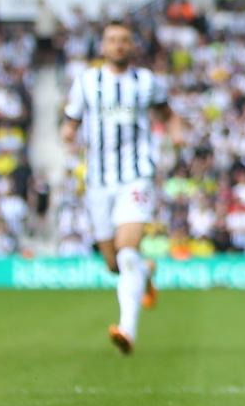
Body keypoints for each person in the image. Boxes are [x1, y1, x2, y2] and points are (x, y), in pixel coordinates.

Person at [60, 21, 185, 354]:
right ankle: (145, 272)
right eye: (112, 40)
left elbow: (168, 113)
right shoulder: (87, 81)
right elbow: (70, 120)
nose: (118, 45)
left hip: (135, 176)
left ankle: (126, 329)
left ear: (132, 47)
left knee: (127, 250)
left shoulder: (146, 82)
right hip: (99, 180)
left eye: (124, 40)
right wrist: (67, 133)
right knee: (114, 263)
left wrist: (176, 132)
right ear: (103, 46)